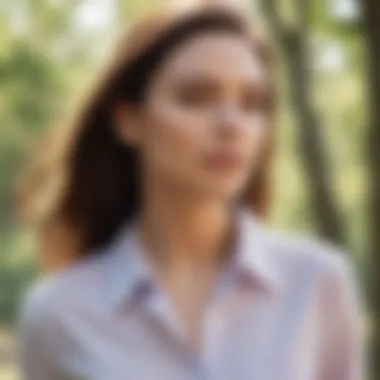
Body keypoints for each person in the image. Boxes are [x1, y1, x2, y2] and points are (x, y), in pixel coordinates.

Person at [17, 2, 365, 379]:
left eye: (252, 103)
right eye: (196, 97)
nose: (232, 124)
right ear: (129, 121)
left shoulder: (317, 283)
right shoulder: (58, 315)